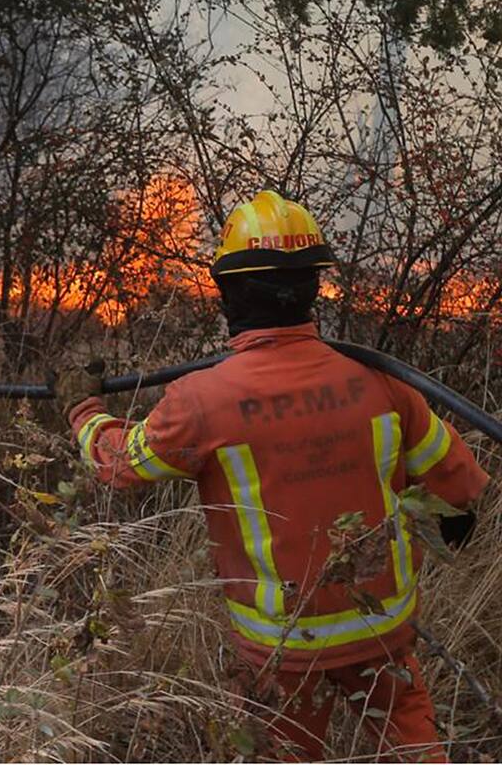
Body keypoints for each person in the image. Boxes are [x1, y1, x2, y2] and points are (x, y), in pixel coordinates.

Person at [58, 190, 488, 761]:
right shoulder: (383, 383)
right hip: (382, 630)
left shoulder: (202, 399)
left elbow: (118, 465)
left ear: (229, 291)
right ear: (313, 287)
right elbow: (457, 482)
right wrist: (459, 514)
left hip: (284, 647)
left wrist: (83, 409)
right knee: (412, 742)